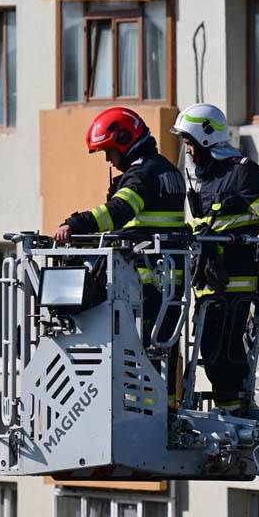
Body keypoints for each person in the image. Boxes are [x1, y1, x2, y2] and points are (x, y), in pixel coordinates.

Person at [170, 103, 259, 411]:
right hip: (208, 283)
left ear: (205, 140)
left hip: (236, 282)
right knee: (211, 352)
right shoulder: (207, 178)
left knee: (224, 352)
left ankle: (235, 408)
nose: (186, 150)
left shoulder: (242, 171)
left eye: (189, 142)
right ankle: (229, 407)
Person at [53, 106, 186, 352]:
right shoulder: (165, 169)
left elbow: (119, 210)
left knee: (140, 357)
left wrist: (75, 224)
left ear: (125, 141)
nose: (108, 159)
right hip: (166, 281)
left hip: (145, 284)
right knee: (160, 356)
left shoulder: (142, 173)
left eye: (109, 151)